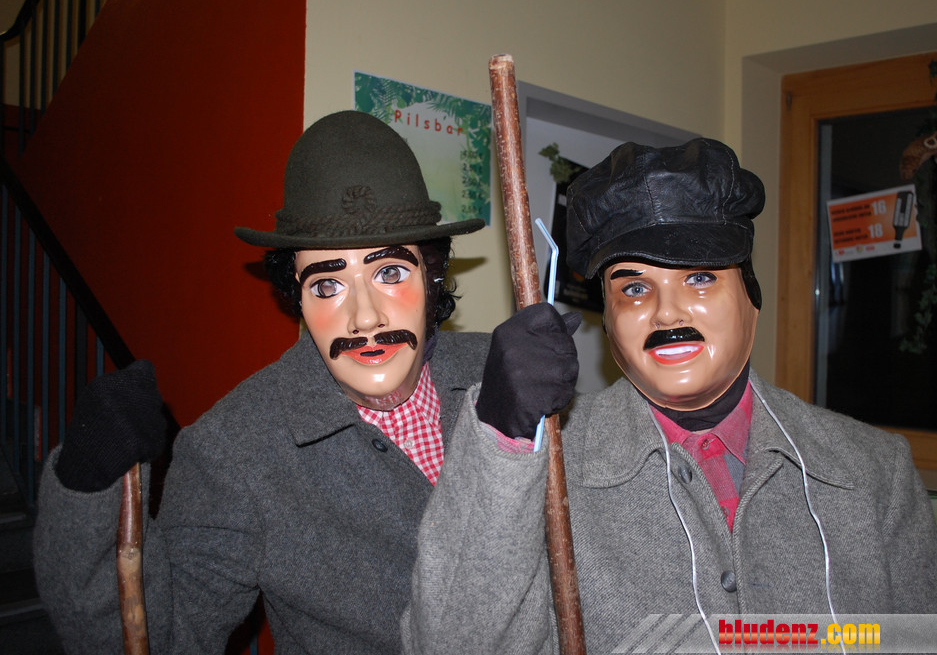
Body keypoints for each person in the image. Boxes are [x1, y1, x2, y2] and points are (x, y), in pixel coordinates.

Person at [33, 110, 579, 654]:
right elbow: (159, 639)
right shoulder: (236, 451)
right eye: (326, 286)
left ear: (433, 275)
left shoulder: (506, 375)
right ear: (294, 293)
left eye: (389, 273)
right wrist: (88, 486)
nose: (364, 317)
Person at [403, 138, 937, 654]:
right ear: (608, 321)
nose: (667, 313)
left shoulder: (873, 472)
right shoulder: (551, 473)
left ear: (751, 296)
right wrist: (501, 433)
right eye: (634, 288)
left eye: (699, 278)